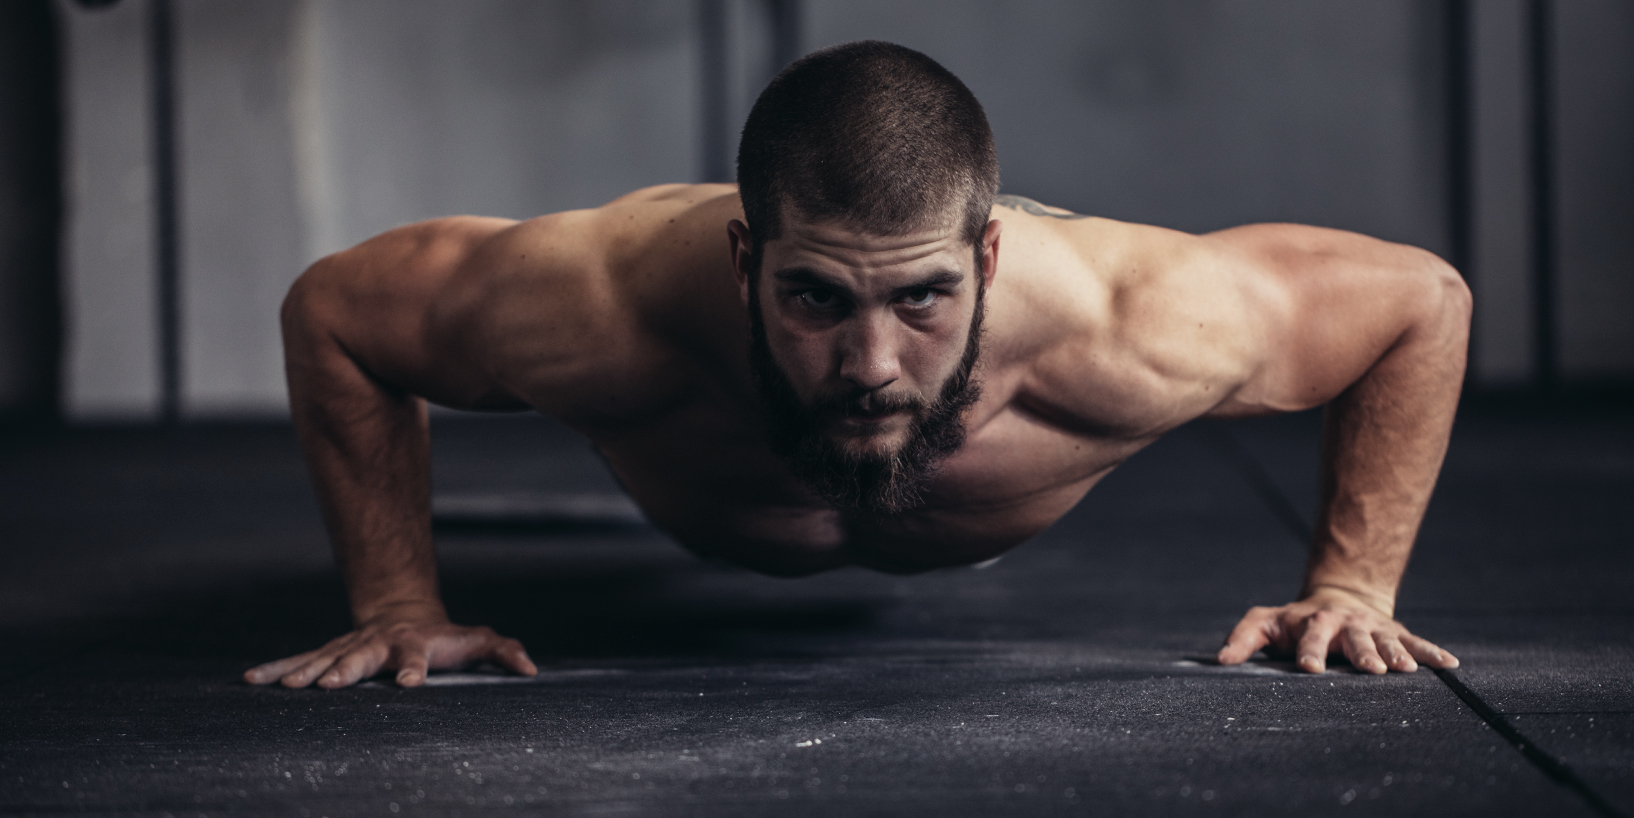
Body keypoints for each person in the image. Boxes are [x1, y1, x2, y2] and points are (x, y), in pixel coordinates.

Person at [245, 41, 1468, 690]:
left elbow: (1420, 301)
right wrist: (397, 604)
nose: (872, 362)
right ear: (744, 259)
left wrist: (1352, 587)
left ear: (987, 257)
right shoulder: (597, 304)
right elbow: (335, 312)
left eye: (924, 296)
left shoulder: (1138, 317)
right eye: (814, 297)